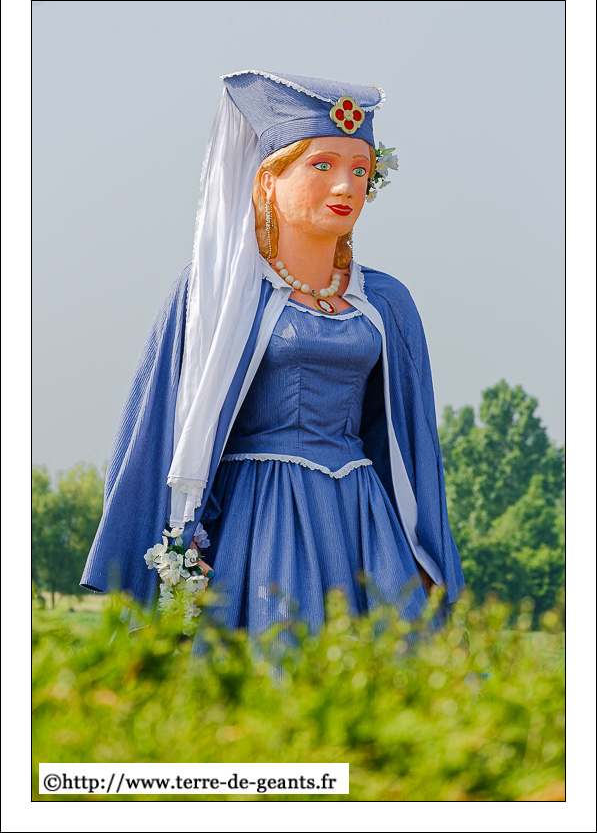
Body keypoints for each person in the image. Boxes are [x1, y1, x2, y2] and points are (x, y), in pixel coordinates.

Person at [81, 70, 465, 638]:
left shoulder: (384, 300)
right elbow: (158, 421)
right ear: (267, 181)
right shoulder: (216, 292)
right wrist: (172, 541)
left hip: (363, 519)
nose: (346, 186)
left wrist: (427, 550)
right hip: (258, 518)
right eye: (322, 166)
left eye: (360, 170)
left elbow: (411, 442)